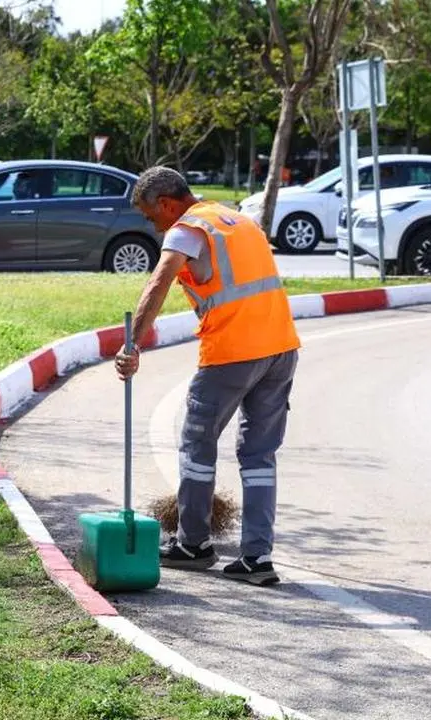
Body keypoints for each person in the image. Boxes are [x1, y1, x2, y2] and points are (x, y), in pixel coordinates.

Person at [114, 166, 301, 587]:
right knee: (259, 456)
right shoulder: (239, 221)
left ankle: (193, 543)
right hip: (281, 348)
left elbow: (158, 284)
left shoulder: (186, 231)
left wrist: (133, 345)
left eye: (150, 216)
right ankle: (257, 558)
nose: (153, 226)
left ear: (166, 204)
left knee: (197, 445)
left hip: (232, 352)